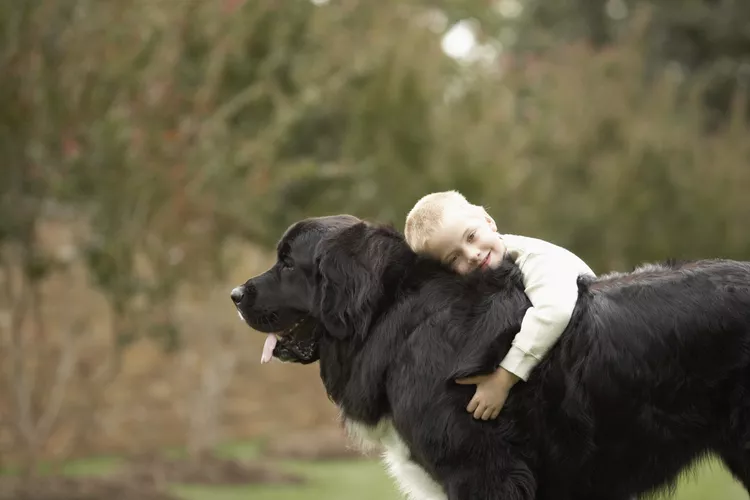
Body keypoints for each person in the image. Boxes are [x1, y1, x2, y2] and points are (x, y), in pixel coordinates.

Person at [404, 190, 596, 420]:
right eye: (454, 258)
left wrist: (504, 378)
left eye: (471, 236)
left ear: (488, 221)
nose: (472, 254)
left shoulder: (534, 258)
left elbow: (555, 312)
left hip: (593, 348)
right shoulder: (488, 278)